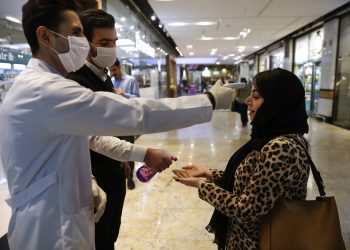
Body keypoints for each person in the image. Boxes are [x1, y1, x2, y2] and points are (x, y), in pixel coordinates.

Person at [0, 0, 232, 249]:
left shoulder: (45, 86)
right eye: (76, 33)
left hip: (60, 213)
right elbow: (136, 114)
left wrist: (91, 178)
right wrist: (208, 101)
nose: (83, 43)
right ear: (45, 36)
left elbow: (85, 140)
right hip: (51, 228)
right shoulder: (44, 90)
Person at [67, 9, 172, 249]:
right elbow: (93, 137)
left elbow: (112, 122)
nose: (111, 48)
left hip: (114, 169)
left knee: (111, 231)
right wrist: (144, 154)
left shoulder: (103, 77)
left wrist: (123, 161)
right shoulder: (76, 81)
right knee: (98, 237)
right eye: (104, 42)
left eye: (113, 42)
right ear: (85, 43)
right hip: (93, 175)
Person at [173, 68, 310, 249]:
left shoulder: (280, 148)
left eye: (257, 96)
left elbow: (246, 209)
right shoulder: (278, 137)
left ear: (277, 103)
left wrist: (201, 185)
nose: (248, 100)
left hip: (258, 243)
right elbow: (252, 183)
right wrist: (209, 173)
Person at [109, 59, 140, 189]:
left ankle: (130, 177)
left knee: (129, 149)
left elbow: (138, 99)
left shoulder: (131, 80)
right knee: (116, 148)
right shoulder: (110, 81)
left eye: (114, 70)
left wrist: (124, 95)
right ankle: (121, 173)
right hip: (114, 121)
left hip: (127, 121)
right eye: (110, 70)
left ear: (120, 67)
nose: (112, 73)